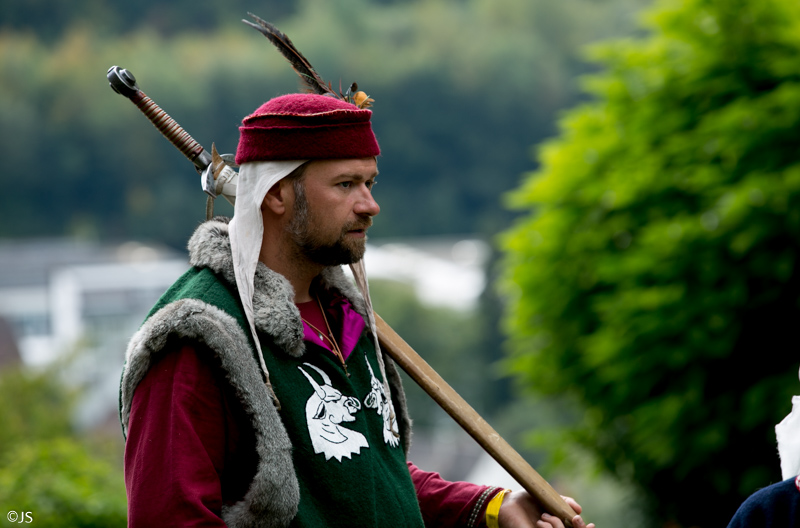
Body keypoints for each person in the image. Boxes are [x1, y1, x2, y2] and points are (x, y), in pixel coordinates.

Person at [119, 91, 593, 528]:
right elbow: (169, 517)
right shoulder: (197, 337)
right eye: (346, 184)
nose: (370, 205)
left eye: (370, 182)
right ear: (277, 195)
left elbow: (369, 480)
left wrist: (491, 509)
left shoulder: (346, 318)